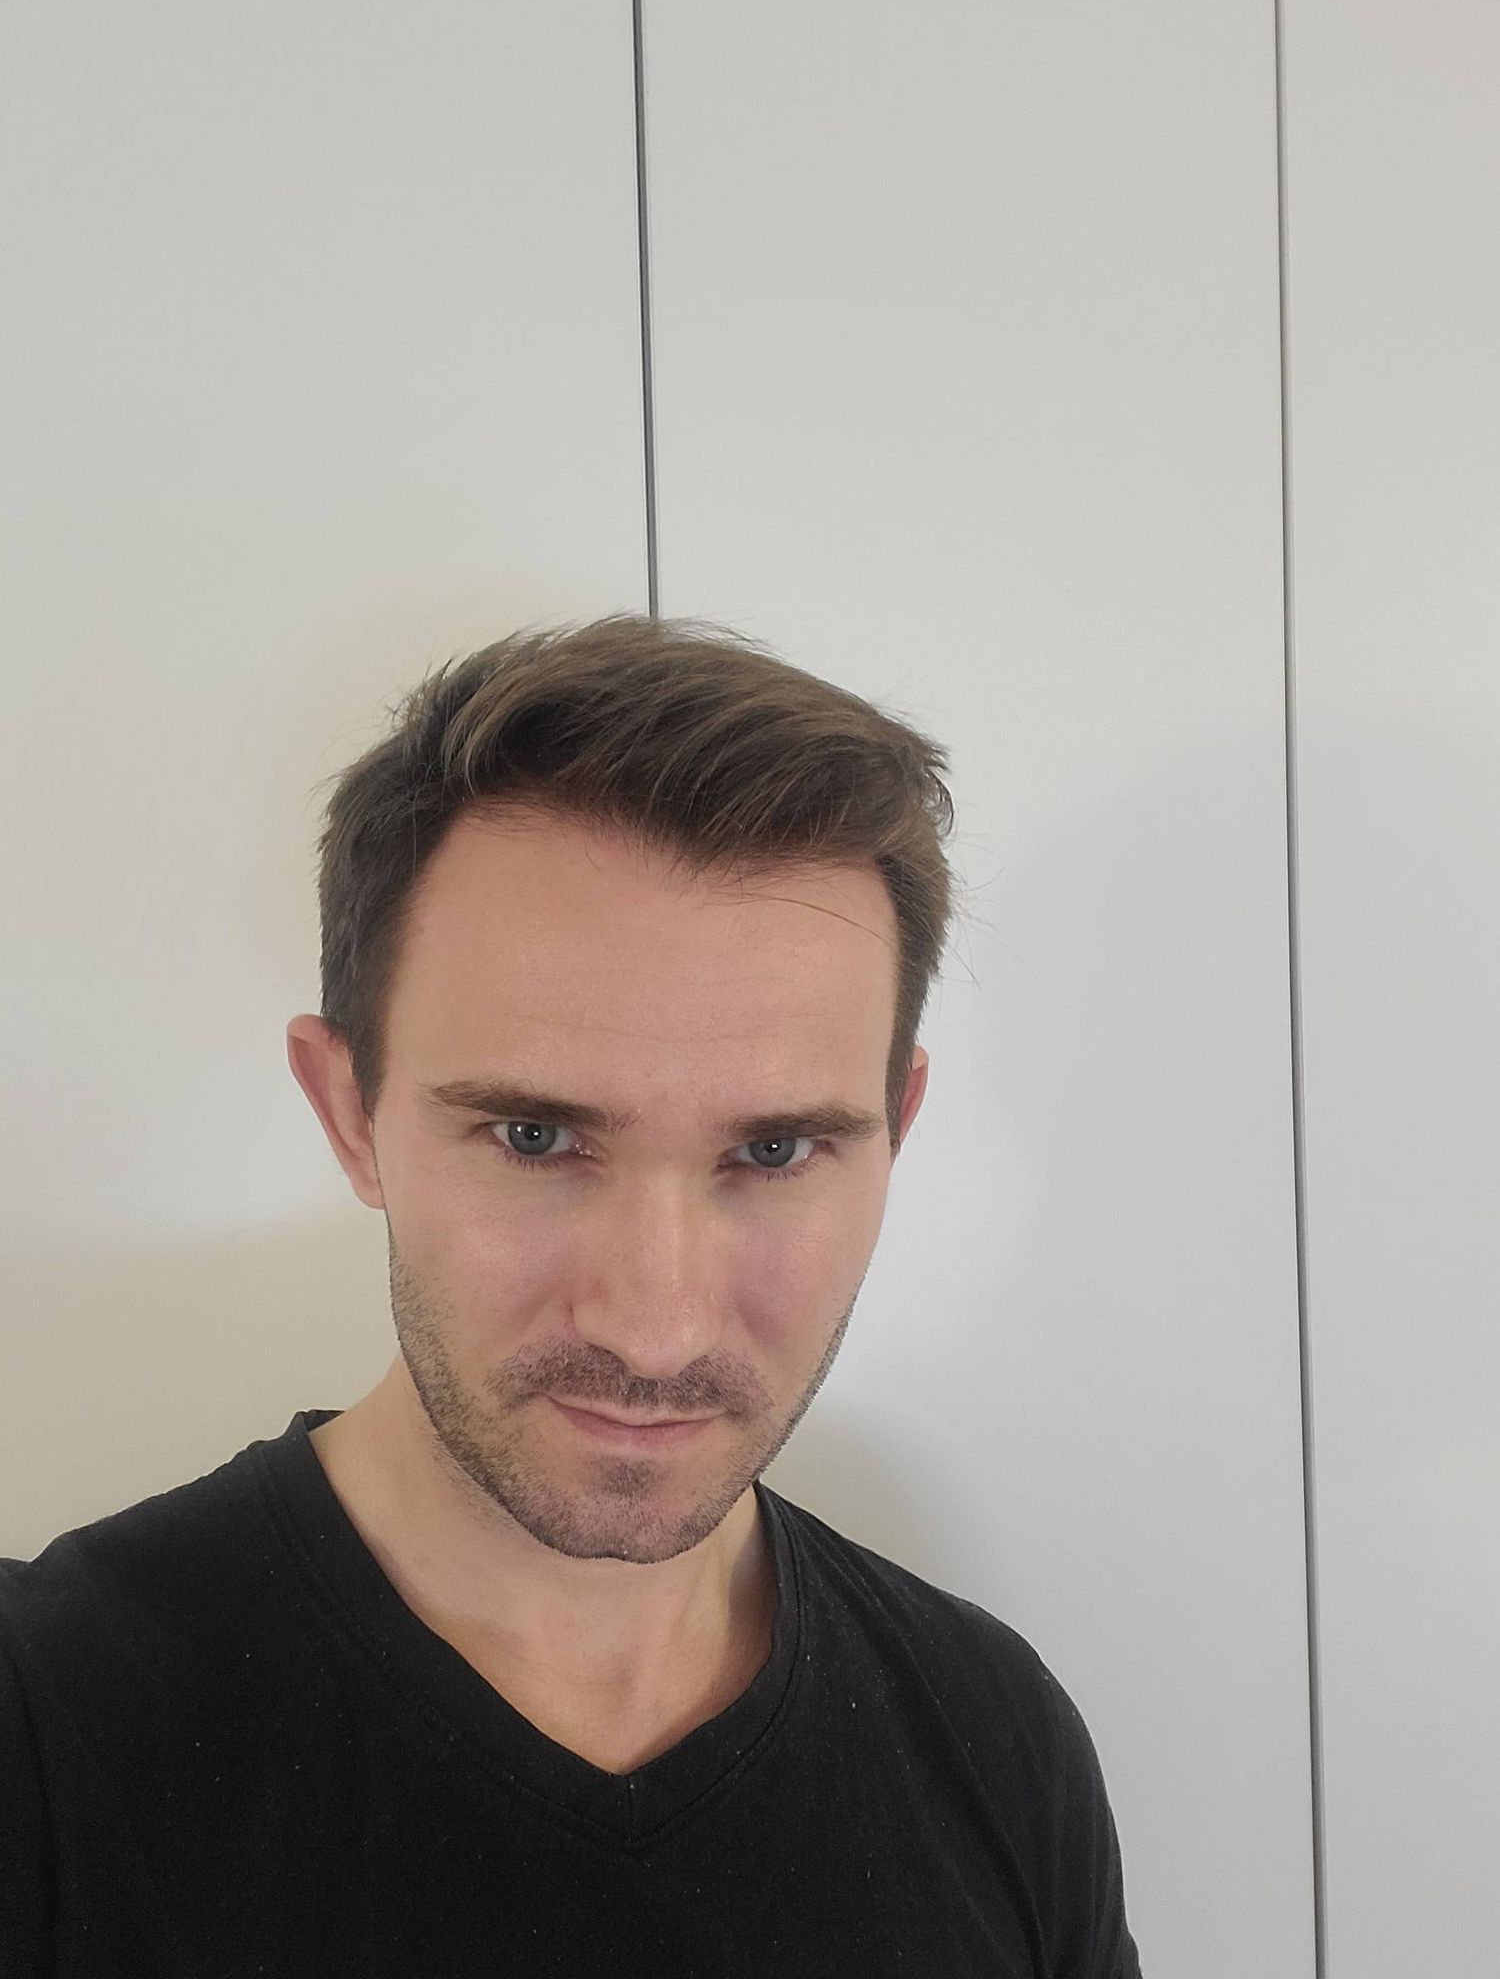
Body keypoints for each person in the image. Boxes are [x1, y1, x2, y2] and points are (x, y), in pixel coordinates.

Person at [0, 614, 1142, 1976]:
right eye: (535, 1139)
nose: (656, 1326)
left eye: (776, 1152)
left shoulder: (997, 1738)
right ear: (350, 1112)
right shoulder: (40, 1732)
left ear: (897, 1128)